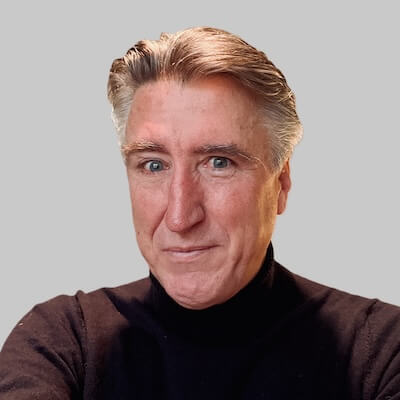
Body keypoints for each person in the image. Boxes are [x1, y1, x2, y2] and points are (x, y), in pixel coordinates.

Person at [0, 26, 399, 399]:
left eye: (219, 163)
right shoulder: (64, 342)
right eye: (153, 165)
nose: (179, 217)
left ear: (281, 183)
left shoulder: (380, 352)